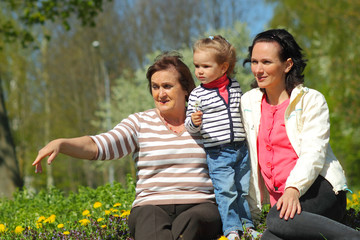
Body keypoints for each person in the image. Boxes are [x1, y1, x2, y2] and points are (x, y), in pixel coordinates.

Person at [32, 52, 223, 240]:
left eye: (167, 86)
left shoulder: (207, 121)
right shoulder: (139, 122)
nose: (160, 94)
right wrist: (62, 143)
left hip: (199, 205)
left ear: (186, 89)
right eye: (155, 87)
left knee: (194, 219)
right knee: (151, 219)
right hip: (151, 207)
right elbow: (100, 145)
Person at [241, 29, 360, 239]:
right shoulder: (248, 102)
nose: (258, 69)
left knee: (276, 219)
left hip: (319, 189)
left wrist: (293, 188)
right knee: (270, 236)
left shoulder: (311, 100)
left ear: (287, 65)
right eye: (254, 61)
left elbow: (314, 152)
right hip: (284, 204)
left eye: (266, 62)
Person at [185, 35, 260, 240]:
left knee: (243, 190)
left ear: (223, 67)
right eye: (197, 65)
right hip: (218, 153)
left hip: (240, 148)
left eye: (206, 66)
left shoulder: (235, 87)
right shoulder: (197, 95)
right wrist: (195, 121)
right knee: (226, 192)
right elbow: (189, 127)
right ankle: (231, 229)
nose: (199, 71)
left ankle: (248, 225)